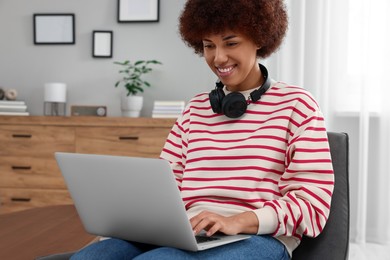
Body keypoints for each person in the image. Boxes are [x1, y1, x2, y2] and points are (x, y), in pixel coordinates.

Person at [71, 0, 334, 259]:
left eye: (231, 43)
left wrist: (239, 221)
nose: (218, 58)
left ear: (259, 39)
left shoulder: (297, 105)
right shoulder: (195, 109)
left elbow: (312, 205)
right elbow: (166, 188)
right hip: (187, 232)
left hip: (259, 238)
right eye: (209, 46)